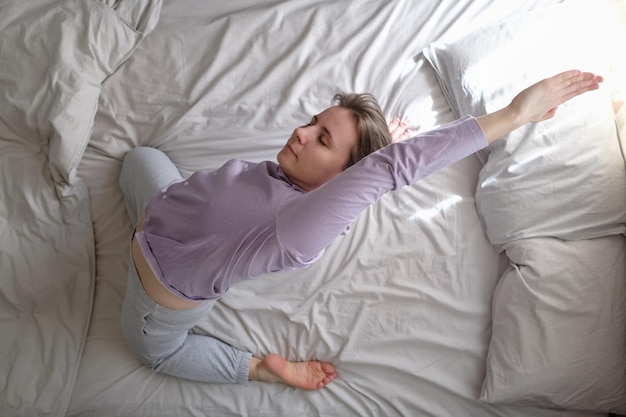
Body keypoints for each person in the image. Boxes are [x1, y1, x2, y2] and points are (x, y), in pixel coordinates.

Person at [119, 70, 602, 390]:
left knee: (156, 357)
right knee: (139, 160)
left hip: (154, 300)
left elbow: (387, 171)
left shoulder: (295, 230)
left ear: (341, 181)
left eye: (321, 140)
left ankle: (260, 370)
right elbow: (374, 165)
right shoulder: (291, 175)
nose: (301, 133)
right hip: (164, 209)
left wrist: (515, 115)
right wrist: (380, 141)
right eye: (313, 123)